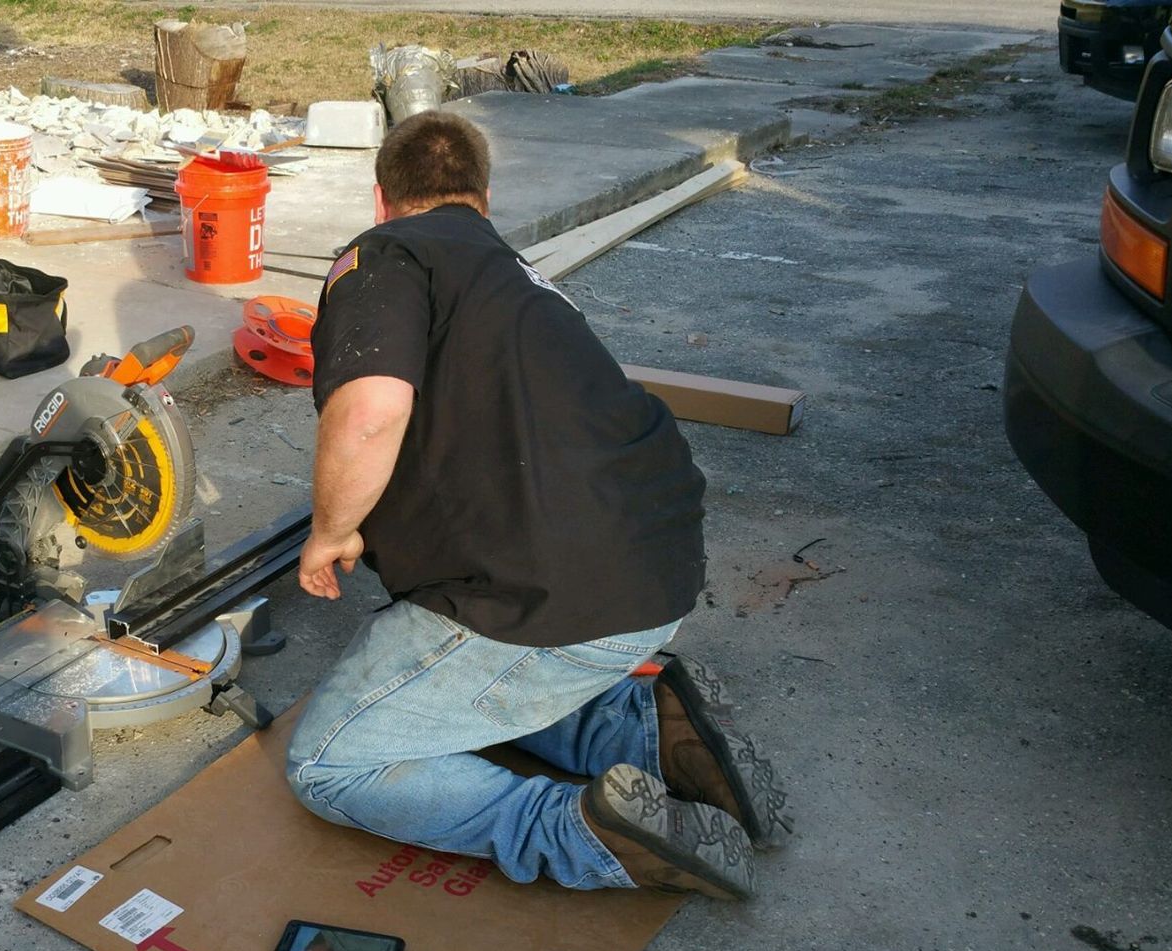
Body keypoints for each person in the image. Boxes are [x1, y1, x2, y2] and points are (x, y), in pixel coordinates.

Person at [284, 111, 793, 900]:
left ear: (381, 198)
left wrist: (332, 530)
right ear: (483, 198)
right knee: (494, 679)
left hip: (548, 597)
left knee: (330, 763)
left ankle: (577, 832)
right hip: (655, 577)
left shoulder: (384, 254)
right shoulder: (516, 279)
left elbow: (370, 411)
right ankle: (648, 735)